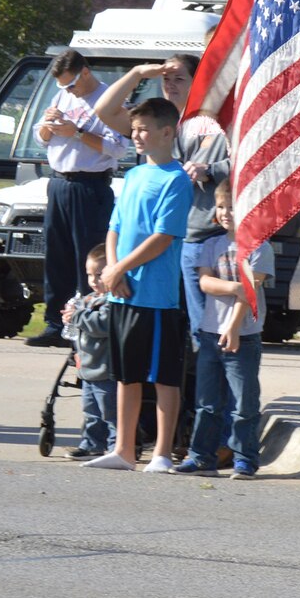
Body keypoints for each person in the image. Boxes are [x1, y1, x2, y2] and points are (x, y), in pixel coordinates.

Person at [84, 97, 192, 473]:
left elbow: (163, 236)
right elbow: (115, 226)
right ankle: (123, 449)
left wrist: (121, 270)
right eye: (134, 130)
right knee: (126, 375)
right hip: (122, 292)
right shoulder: (131, 176)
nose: (136, 136)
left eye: (144, 129)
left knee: (162, 377)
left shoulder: (176, 180)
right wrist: (113, 270)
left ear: (167, 131)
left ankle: (161, 453)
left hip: (156, 296)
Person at [93, 56, 228, 334]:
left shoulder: (219, 121)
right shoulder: (152, 122)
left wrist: (211, 170)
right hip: (152, 247)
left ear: (198, 82)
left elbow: (250, 161)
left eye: (179, 78)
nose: (170, 85)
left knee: (202, 330)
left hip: (202, 238)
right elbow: (104, 111)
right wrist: (137, 73)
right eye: (166, 78)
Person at [31, 49, 130, 345]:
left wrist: (76, 132)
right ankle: (54, 323)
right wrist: (48, 127)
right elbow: (40, 136)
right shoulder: (63, 96)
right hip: (59, 182)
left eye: (71, 84)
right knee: (57, 255)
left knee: (87, 258)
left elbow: (119, 148)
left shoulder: (109, 101)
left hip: (90, 185)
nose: (67, 91)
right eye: (62, 86)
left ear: (84, 72)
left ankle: (89, 322)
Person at [176, 180, 273, 478]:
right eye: (221, 206)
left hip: (242, 336)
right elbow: (205, 282)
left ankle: (245, 458)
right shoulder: (210, 245)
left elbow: (251, 292)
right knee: (207, 402)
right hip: (209, 332)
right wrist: (234, 286)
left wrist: (232, 327)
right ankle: (201, 456)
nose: (226, 212)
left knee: (243, 403)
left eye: (233, 206)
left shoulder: (259, 247)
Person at [60, 243, 116, 460]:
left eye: (99, 274)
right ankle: (92, 443)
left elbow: (102, 325)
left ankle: (116, 445)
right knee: (90, 411)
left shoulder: (112, 301)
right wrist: (71, 317)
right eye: (89, 274)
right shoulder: (86, 300)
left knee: (110, 412)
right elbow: (79, 330)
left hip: (105, 368)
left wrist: (77, 316)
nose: (93, 280)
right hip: (88, 368)